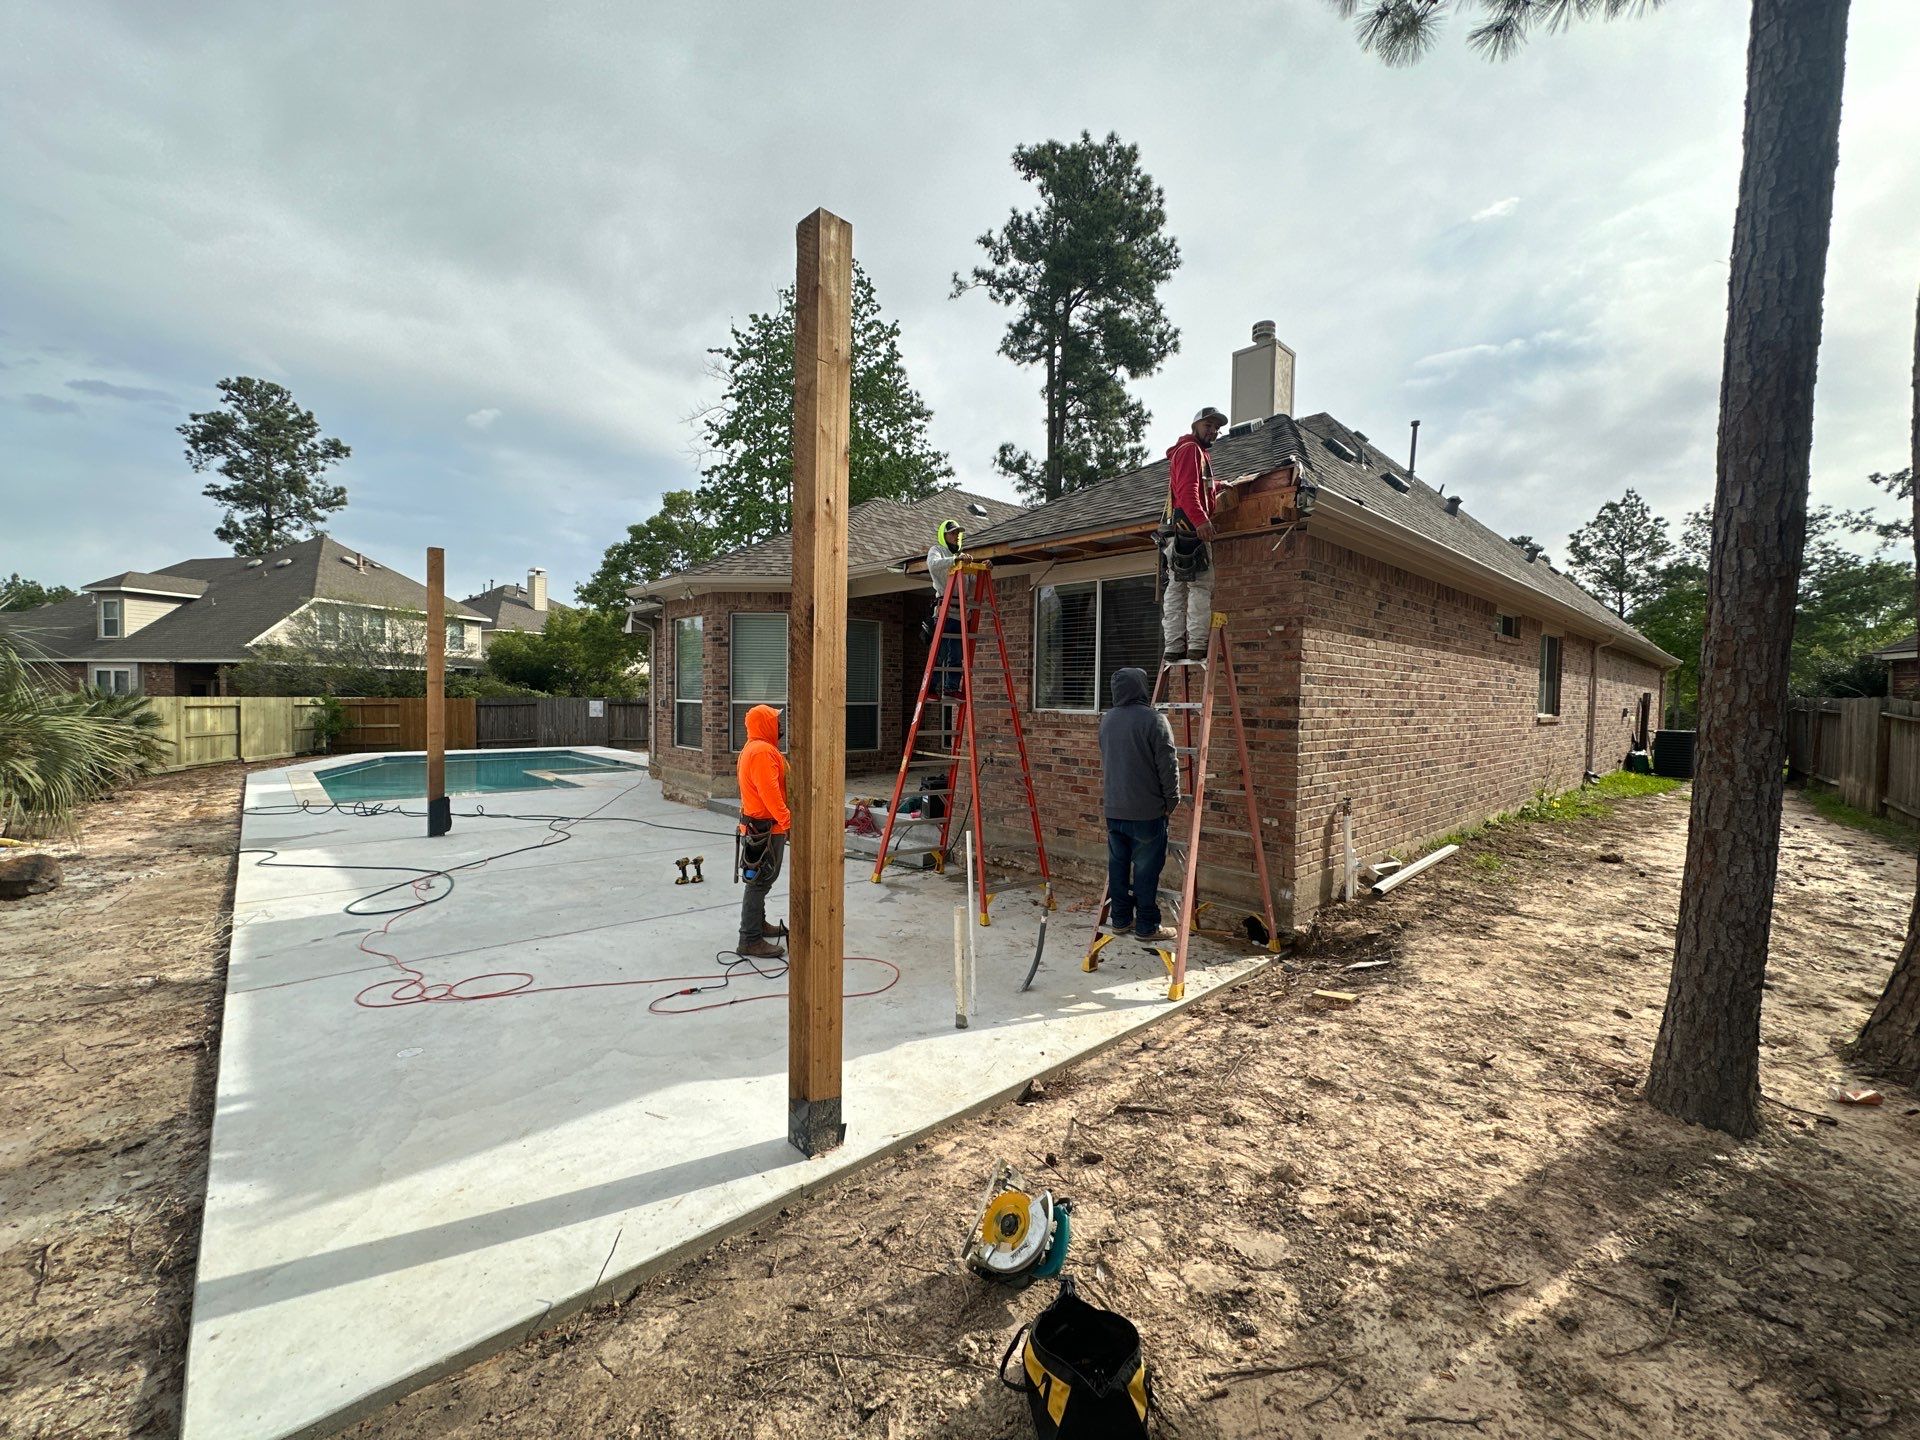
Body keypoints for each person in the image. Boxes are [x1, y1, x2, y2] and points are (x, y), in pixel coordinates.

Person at [1098, 666, 1180, 942]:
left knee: (1118, 866)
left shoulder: (1108, 720)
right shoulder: (1154, 720)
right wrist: (1172, 799)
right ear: (1142, 688)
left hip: (1114, 808)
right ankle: (1147, 925)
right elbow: (1168, 765)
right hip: (1146, 812)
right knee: (1145, 870)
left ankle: (1120, 919)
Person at [1160, 406, 1233, 662]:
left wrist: (1222, 485)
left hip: (1174, 530)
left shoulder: (1191, 453)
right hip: (1190, 529)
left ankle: (1174, 646)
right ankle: (1198, 644)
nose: (1213, 431)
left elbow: (1200, 486)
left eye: (1216, 428)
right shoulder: (1191, 450)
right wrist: (1201, 521)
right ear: (1195, 426)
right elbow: (1188, 490)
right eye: (1208, 425)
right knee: (1200, 585)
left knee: (1176, 587)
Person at [735, 703, 791, 960]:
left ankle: (759, 925)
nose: (780, 726)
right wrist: (787, 820)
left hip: (760, 825)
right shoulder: (762, 752)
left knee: (761, 879)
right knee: (759, 882)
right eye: (776, 721)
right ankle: (750, 938)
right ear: (765, 724)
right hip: (765, 827)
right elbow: (770, 792)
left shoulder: (757, 748)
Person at [927, 520, 967, 698]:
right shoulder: (936, 551)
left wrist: (984, 569)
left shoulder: (962, 556)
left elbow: (970, 582)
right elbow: (933, 564)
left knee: (957, 655)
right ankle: (931, 688)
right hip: (944, 610)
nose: (956, 536)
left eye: (957, 533)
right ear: (943, 535)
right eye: (952, 533)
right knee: (940, 652)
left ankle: (951, 687)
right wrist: (954, 560)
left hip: (959, 613)